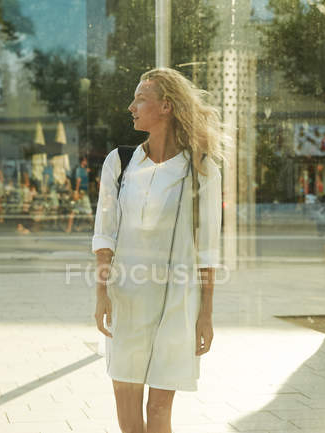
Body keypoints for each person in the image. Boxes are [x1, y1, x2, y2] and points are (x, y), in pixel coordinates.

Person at [92, 68, 226, 433]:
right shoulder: (119, 163)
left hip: (178, 301)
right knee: (126, 393)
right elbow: (105, 234)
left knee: (160, 404)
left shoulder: (201, 169)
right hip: (128, 296)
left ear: (166, 106)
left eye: (141, 99)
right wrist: (102, 292)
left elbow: (208, 248)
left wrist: (206, 314)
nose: (131, 106)